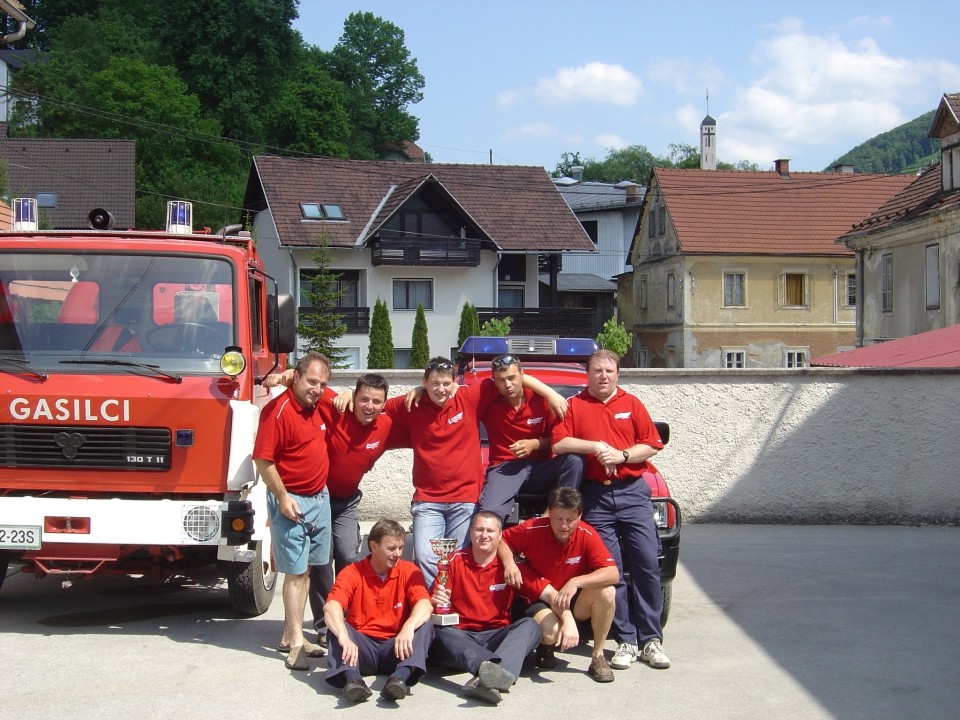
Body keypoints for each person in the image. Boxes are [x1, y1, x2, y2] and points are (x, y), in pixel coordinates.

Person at [551, 348, 671, 672]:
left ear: (617, 373)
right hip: (596, 499)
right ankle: (627, 640)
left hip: (633, 494)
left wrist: (622, 454)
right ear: (587, 374)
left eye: (609, 371)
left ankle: (651, 640)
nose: (603, 376)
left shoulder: (631, 404)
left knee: (646, 564)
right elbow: (559, 443)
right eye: (597, 371)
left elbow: (652, 444)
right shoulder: (575, 406)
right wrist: (595, 447)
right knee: (611, 570)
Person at [308, 374, 409, 648]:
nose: (369, 406)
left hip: (347, 502)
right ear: (353, 399)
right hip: (320, 498)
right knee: (320, 560)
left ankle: (349, 616)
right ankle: (322, 625)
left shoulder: (387, 426)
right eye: (363, 399)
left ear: (384, 404)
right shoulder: (337, 407)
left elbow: (425, 430)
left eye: (377, 401)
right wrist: (283, 376)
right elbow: (308, 381)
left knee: (347, 555)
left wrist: (422, 391)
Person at [252, 351, 332, 670]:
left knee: (308, 569)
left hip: (319, 498)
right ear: (296, 377)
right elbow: (263, 460)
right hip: (292, 499)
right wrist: (283, 498)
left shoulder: (318, 404)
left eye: (323, 383)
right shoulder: (277, 411)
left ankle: (290, 634)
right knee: (296, 572)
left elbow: (344, 399)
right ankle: (297, 644)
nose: (317, 388)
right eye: (312, 381)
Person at [499, 486, 619, 683]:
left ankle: (597, 656)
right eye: (558, 519)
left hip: (571, 597)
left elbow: (613, 573)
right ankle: (546, 645)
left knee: (607, 592)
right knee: (551, 633)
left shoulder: (587, 534)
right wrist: (509, 562)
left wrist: (576, 581)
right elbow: (501, 540)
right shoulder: (532, 528)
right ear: (549, 513)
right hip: (542, 597)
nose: (564, 525)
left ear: (580, 516)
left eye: (570, 520)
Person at [429, 510, 542, 705]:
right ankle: (491, 671)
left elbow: (546, 592)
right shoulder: (452, 561)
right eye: (479, 529)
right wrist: (435, 600)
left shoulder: (511, 567)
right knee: (440, 631)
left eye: (490, 530)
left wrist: (565, 617)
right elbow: (436, 602)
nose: (484, 535)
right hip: (461, 639)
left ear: (500, 536)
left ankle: (488, 677)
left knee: (530, 625)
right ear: (470, 532)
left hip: (496, 638)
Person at [324, 519, 434, 703]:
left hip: (397, 647)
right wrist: (343, 636)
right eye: (391, 548)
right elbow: (331, 606)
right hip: (361, 648)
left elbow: (425, 604)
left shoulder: (408, 570)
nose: (398, 554)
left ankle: (399, 679)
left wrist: (408, 627)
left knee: (424, 623)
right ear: (373, 546)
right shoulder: (352, 572)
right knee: (335, 626)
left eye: (400, 548)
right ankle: (353, 680)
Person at [478, 354, 583, 523]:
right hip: (504, 468)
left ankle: (552, 516)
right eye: (501, 380)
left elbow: (558, 440)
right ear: (494, 382)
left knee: (574, 461)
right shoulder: (488, 401)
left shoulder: (542, 400)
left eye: (512, 378)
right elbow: (454, 393)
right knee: (488, 516)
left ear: (522, 376)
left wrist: (535, 444)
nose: (508, 385)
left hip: (540, 468)